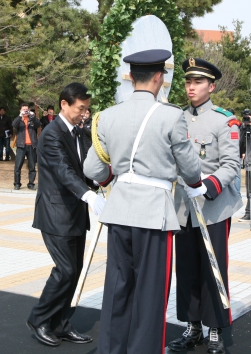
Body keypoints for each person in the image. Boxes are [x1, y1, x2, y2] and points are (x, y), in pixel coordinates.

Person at [83, 49, 203, 354]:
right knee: (150, 294)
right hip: (153, 213)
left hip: (119, 209)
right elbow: (190, 170)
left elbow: (93, 169)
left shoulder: (107, 116)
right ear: (160, 78)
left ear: (131, 78)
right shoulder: (172, 116)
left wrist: (112, 181)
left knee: (118, 288)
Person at [169, 58, 242, 354]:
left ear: (211, 87)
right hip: (184, 209)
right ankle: (192, 326)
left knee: (213, 270)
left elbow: (231, 165)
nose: (191, 87)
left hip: (213, 208)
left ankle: (214, 330)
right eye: (188, 82)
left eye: (198, 82)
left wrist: (207, 185)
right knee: (186, 269)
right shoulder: (175, 118)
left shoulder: (224, 121)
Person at [26, 83, 103, 348]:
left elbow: (85, 169)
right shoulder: (51, 133)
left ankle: (61, 323)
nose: (84, 114)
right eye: (80, 108)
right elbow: (63, 170)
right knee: (66, 270)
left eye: (87, 109)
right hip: (56, 213)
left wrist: (100, 184)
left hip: (76, 214)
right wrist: (89, 196)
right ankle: (39, 319)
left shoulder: (80, 133)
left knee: (76, 271)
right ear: (64, 104)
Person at [13, 104, 40, 190]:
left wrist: (33, 116)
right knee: (18, 166)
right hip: (21, 146)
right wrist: (20, 116)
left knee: (32, 166)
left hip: (31, 146)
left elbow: (38, 124)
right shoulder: (19, 120)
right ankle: (17, 183)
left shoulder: (31, 119)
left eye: (26, 109)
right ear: (20, 110)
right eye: (23, 109)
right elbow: (14, 124)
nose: (25, 111)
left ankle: (31, 183)